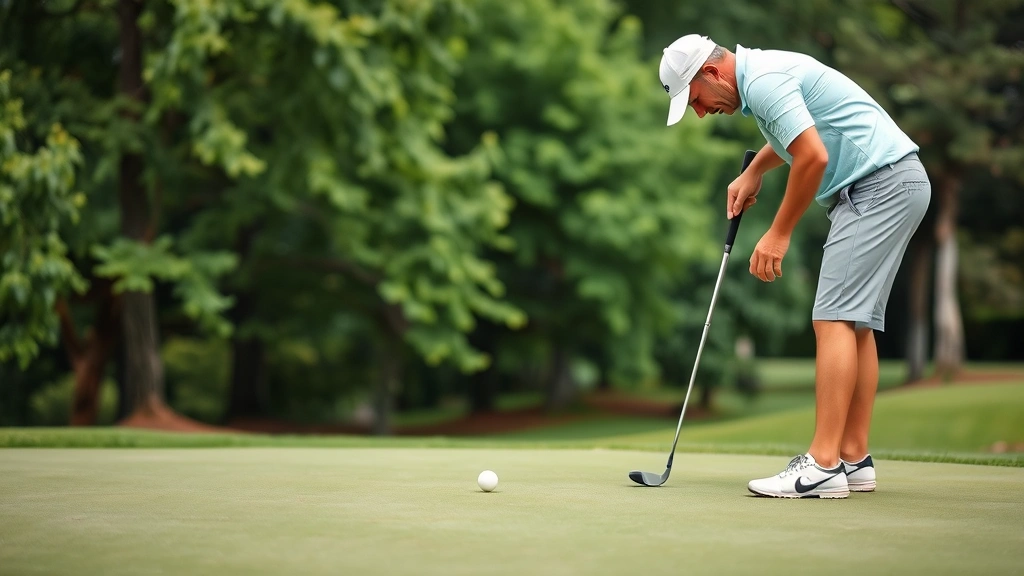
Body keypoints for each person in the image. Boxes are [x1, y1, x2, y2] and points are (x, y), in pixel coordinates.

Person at [659, 34, 931, 498]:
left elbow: (813, 155)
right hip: (897, 181)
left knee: (833, 320)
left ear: (711, 73)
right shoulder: (762, 77)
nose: (701, 112)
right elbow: (805, 133)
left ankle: (823, 464)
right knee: (854, 324)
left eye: (697, 100)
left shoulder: (764, 82)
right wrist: (754, 170)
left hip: (876, 187)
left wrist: (779, 232)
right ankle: (852, 457)